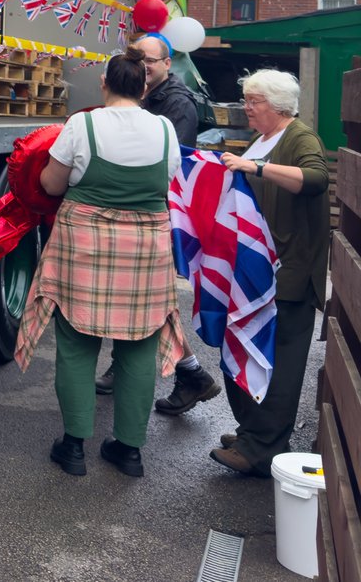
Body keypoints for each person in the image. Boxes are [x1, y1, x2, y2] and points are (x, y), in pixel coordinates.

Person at [15, 47, 183, 478]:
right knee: (140, 345)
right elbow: (166, 182)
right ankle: (129, 451)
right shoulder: (165, 129)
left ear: (104, 83)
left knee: (75, 343)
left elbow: (52, 184)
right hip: (145, 249)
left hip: (85, 245)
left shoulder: (82, 124)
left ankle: (73, 447)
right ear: (145, 87)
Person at [95, 33, 221, 414]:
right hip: (145, 212)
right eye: (138, 59)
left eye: (150, 60)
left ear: (168, 63)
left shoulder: (177, 104)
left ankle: (191, 373)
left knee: (147, 297)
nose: (144, 65)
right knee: (138, 295)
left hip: (157, 214)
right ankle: (184, 373)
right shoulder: (146, 97)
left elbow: (166, 162)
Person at [214, 69, 329, 476]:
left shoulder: (299, 137)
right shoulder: (262, 140)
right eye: (246, 99)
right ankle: (253, 433)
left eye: (254, 101)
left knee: (279, 362)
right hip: (257, 272)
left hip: (290, 274)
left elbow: (316, 178)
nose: (246, 108)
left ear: (278, 104)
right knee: (248, 352)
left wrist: (256, 168)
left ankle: (262, 447)